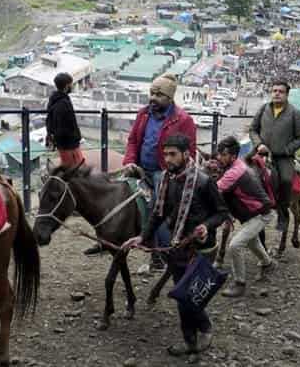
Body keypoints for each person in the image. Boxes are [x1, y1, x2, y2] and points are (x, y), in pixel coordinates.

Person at [122, 134, 229, 356]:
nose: (168, 159)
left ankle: (201, 333)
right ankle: (195, 337)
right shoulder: (167, 181)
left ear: (186, 154)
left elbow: (221, 213)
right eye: (165, 155)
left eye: (173, 154)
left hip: (201, 248)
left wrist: (206, 227)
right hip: (178, 246)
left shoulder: (203, 181)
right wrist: (142, 237)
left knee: (188, 295)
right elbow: (158, 215)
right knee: (184, 296)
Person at [115, 73, 196, 265]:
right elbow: (133, 140)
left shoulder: (183, 120)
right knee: (117, 192)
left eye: (159, 95)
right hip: (140, 168)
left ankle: (158, 253)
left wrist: (173, 171)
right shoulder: (143, 114)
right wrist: (129, 161)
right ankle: (111, 239)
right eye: (152, 93)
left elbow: (189, 151)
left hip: (164, 172)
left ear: (170, 98)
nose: (153, 98)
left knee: (157, 208)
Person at [214, 137, 276, 298]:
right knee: (252, 241)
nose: (219, 157)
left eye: (223, 154)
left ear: (233, 156)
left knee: (235, 245)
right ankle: (268, 264)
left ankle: (239, 283)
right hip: (254, 213)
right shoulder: (237, 165)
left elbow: (213, 191)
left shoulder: (234, 172)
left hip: (260, 214)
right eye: (218, 154)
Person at [250, 80, 300, 233]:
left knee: (286, 180)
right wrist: (258, 144)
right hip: (260, 152)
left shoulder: (295, 113)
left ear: (287, 94)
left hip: (283, 157)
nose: (276, 93)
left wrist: (287, 149)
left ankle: (283, 214)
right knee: (241, 170)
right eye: (274, 90)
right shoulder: (263, 109)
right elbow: (253, 130)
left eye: (280, 91)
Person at [45, 72, 84, 169]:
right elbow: (64, 125)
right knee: (77, 170)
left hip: (65, 144)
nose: (72, 85)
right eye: (71, 83)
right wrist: (74, 139)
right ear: (67, 86)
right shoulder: (62, 102)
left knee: (73, 169)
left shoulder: (55, 100)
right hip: (69, 144)